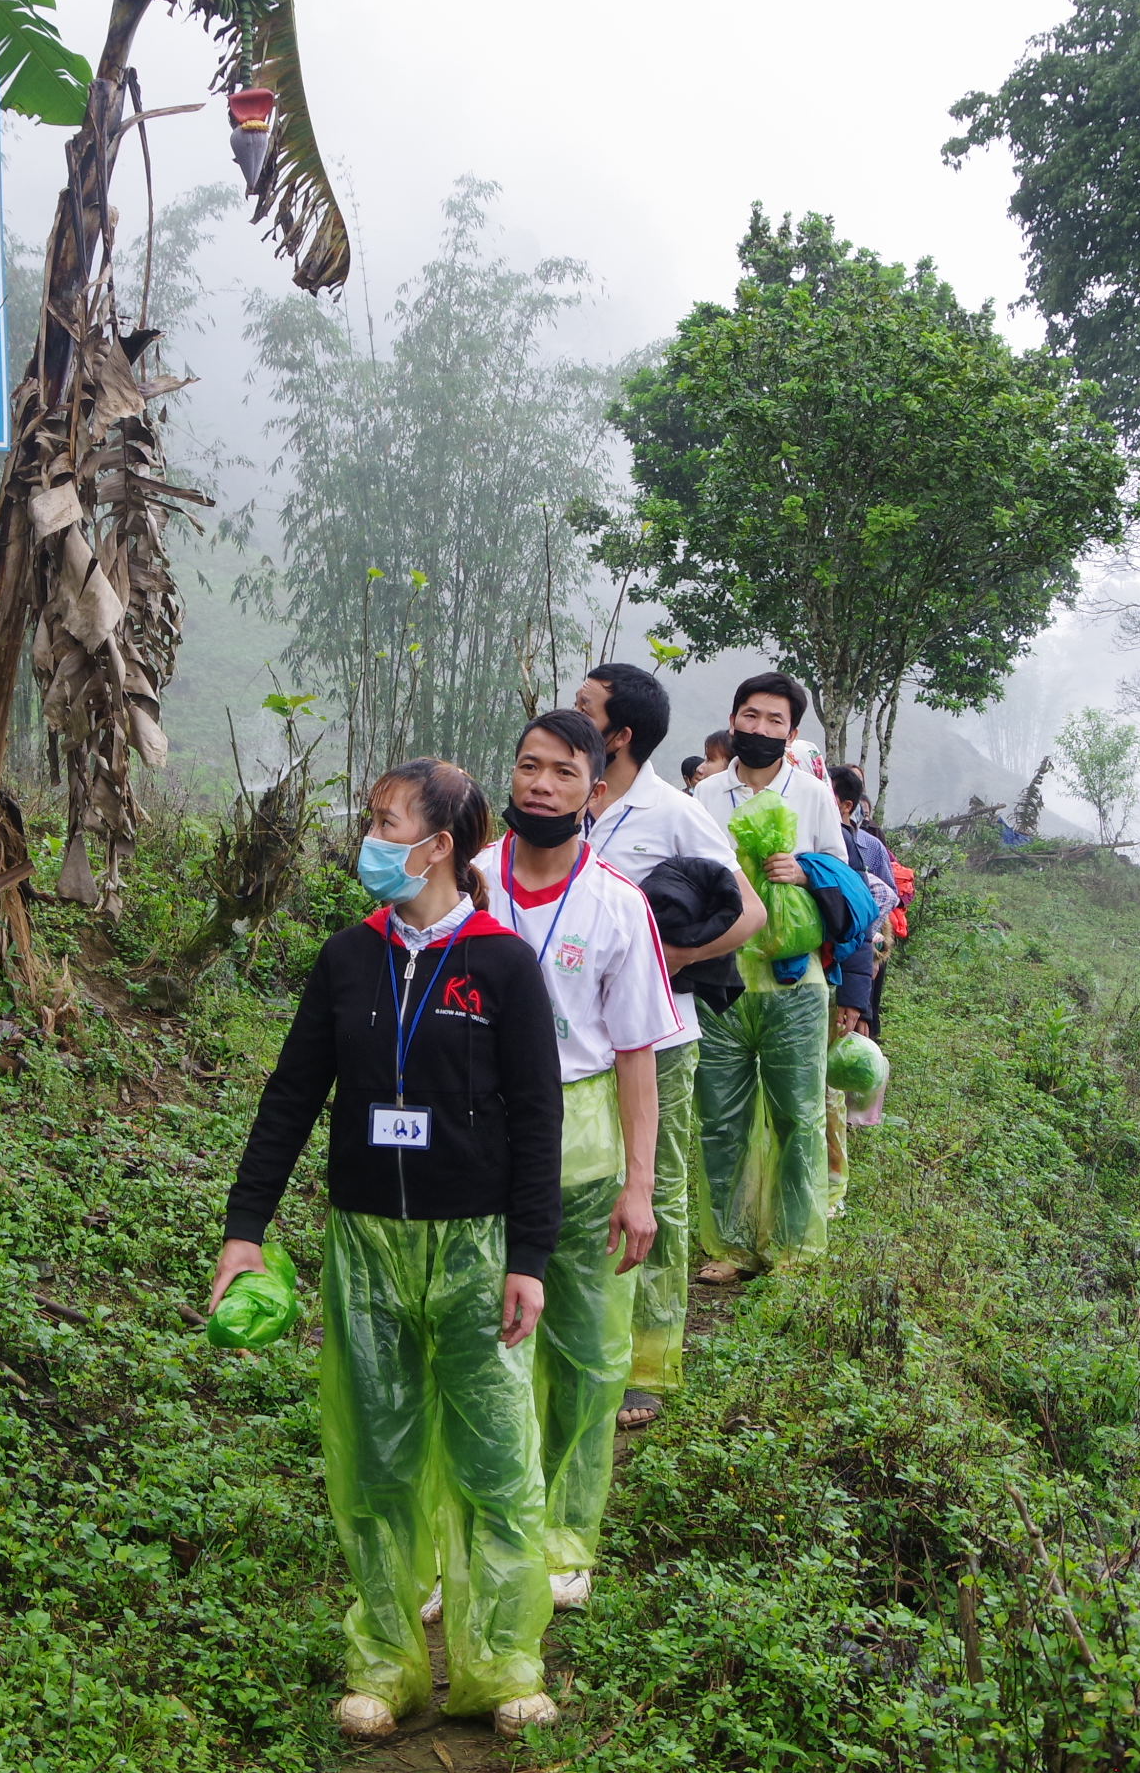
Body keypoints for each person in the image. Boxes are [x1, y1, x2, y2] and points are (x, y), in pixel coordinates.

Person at [214, 759, 566, 1741]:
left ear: (438, 844)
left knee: (497, 1460)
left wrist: (529, 1256)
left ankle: (503, 1662)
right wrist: (246, 1229)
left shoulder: (501, 964)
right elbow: (290, 1098)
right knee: (373, 1459)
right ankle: (385, 1661)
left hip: (477, 1247)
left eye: (383, 821)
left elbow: (538, 1118)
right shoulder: (346, 958)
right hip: (366, 1244)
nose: (368, 835)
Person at [484, 708, 676, 1608]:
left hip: (585, 1148)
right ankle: (482, 1532)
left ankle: (563, 1537)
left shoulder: (617, 905)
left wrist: (639, 1187)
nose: (542, 786)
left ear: (594, 789)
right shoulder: (468, 881)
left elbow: (638, 1056)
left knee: (589, 1357)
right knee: (479, 1349)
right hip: (475, 1147)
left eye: (564, 772)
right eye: (529, 767)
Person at [572, 663, 765, 1430]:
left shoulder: (673, 813)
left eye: (584, 708)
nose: (570, 713)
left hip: (659, 1034)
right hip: (574, 1034)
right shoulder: (566, 796)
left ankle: (648, 1361)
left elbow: (746, 911)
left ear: (619, 734)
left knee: (660, 1187)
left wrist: (670, 963)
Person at [686, 672, 848, 1278]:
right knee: (721, 1116)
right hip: (723, 976)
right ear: (733, 721)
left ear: (793, 732)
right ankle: (729, 1247)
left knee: (797, 1114)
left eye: (773, 721)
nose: (759, 729)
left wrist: (803, 871)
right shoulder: (704, 797)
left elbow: (838, 867)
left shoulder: (811, 794)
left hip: (792, 979)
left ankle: (792, 1247)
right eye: (749, 716)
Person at [827, 765, 899, 1126]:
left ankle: (856, 1110)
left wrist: (871, 955)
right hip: (840, 957)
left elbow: (884, 897)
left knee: (857, 1028)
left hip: (865, 948)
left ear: (846, 804)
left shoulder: (868, 845)